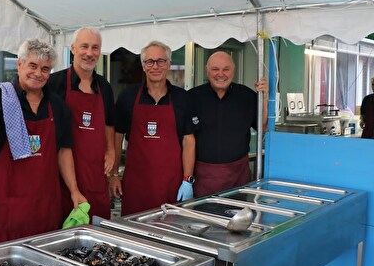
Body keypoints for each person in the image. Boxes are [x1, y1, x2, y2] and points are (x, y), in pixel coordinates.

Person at [0, 39, 86, 245]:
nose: (38, 73)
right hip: (5, 210)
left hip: (45, 208)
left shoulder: (57, 105)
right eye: (33, 65)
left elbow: (64, 151)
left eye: (45, 69)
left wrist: (74, 190)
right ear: (19, 64)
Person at [109, 41, 196, 216]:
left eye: (161, 61)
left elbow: (189, 141)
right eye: (150, 62)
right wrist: (114, 175)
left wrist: (188, 180)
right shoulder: (127, 97)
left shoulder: (182, 98)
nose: (155, 66)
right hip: (136, 186)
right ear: (143, 66)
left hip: (172, 186)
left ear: (169, 64)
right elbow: (117, 137)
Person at [47, 27, 115, 221]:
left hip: (95, 174)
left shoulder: (104, 86)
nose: (89, 53)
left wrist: (111, 150)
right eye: (84, 47)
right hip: (62, 175)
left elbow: (109, 123)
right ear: (73, 48)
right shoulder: (54, 83)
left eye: (95, 48)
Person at [189, 51, 268, 197]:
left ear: (234, 71)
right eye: (215, 69)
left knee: (238, 212)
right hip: (202, 177)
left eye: (226, 69)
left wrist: (264, 98)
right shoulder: (192, 97)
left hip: (238, 177)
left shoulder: (247, 96)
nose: (221, 74)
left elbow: (262, 127)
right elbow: (184, 140)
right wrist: (186, 179)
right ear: (207, 71)